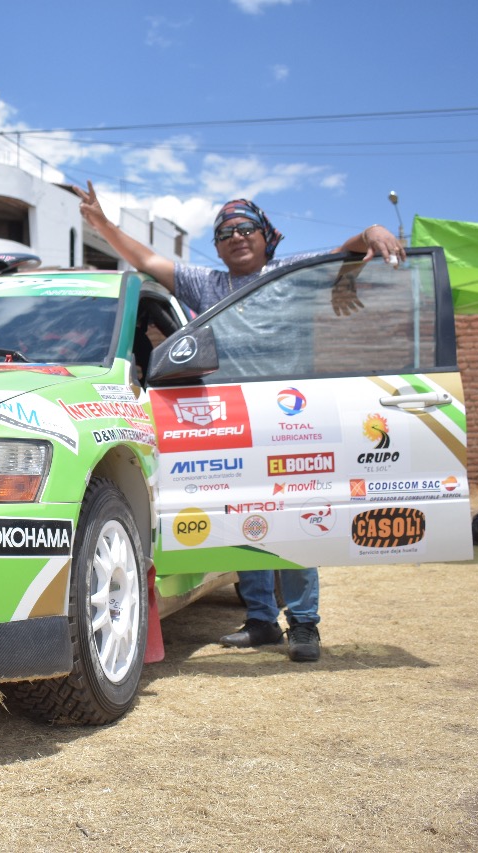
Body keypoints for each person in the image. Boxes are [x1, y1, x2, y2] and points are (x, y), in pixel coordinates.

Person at [76, 181, 404, 663]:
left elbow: (344, 253)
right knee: (246, 520)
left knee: (297, 521)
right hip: (233, 419)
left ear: (266, 236)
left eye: (246, 228)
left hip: (294, 416)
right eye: (224, 232)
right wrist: (103, 225)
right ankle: (261, 621)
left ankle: (304, 625)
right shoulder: (207, 286)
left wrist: (371, 231)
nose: (236, 237)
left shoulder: (291, 272)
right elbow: (147, 261)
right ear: (217, 247)